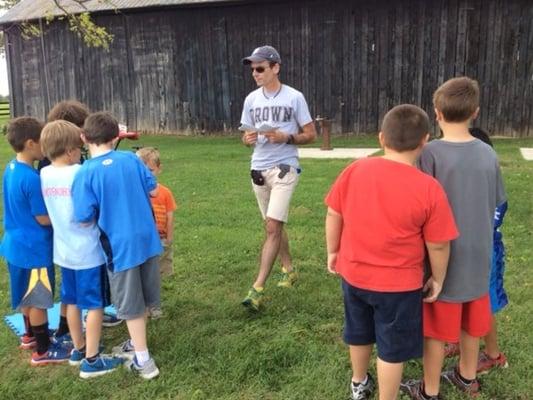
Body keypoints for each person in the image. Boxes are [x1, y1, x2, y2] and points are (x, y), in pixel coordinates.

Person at [325, 105, 458, 400]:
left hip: (354, 275)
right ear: (425, 141)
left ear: (381, 138)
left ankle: (359, 382)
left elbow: (335, 213)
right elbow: (438, 244)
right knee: (391, 348)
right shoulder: (429, 188)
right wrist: (438, 278)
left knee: (358, 332)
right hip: (399, 287)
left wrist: (333, 251)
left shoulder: (355, 169)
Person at [401, 77, 507, 399]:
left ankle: (429, 390)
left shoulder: (429, 153)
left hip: (443, 259)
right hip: (479, 255)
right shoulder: (488, 154)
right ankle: (466, 375)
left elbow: (419, 206)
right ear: (475, 112)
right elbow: (497, 202)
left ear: (436, 113)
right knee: (472, 323)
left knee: (435, 332)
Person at [71, 112, 162, 379]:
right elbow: (153, 190)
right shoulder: (132, 160)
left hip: (119, 248)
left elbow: (84, 217)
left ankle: (144, 361)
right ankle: (135, 344)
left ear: (83, 138)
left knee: (130, 305)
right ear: (116, 136)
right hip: (147, 239)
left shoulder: (85, 172)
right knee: (143, 296)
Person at [39, 120, 124, 378]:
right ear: (69, 151)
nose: (81, 151)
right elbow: (89, 210)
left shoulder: (44, 173)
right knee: (95, 305)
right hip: (88, 251)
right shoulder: (81, 172)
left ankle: (78, 348)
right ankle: (92, 360)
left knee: (72, 301)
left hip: (64, 251)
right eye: (78, 147)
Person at [239, 45, 317, 311]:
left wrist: (287, 137)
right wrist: (247, 139)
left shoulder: (294, 98)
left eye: (260, 68)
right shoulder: (251, 100)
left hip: (285, 167)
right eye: (253, 69)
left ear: (276, 68)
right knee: (273, 225)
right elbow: (245, 134)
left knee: (273, 226)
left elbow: (311, 134)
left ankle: (257, 288)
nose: (255, 73)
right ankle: (289, 269)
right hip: (258, 168)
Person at [0, 117, 71, 365]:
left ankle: (30, 335)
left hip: (14, 246)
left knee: (23, 295)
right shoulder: (31, 178)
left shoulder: (10, 169)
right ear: (31, 143)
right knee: (39, 300)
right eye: (42, 142)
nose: (45, 147)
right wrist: (62, 214)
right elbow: (42, 218)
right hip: (34, 250)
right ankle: (43, 350)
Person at [444, 128, 509, 374]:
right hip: (459, 251)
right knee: (458, 295)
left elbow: (492, 218)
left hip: (485, 254)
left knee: (484, 302)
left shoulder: (491, 187)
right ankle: (460, 342)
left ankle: (493, 354)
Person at [136, 147, 178, 318]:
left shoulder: (165, 192)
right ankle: (141, 305)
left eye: (151, 170)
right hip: (143, 239)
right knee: (141, 273)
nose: (147, 174)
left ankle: (154, 305)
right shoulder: (137, 192)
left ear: (159, 169)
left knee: (156, 274)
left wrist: (169, 236)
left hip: (160, 239)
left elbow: (170, 216)